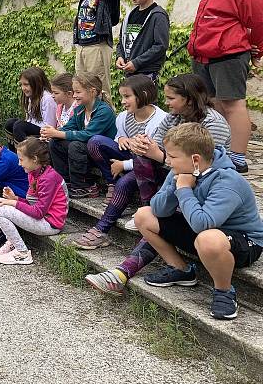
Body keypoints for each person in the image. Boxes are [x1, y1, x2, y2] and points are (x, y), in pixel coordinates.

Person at [85, 124, 263, 320]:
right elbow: (159, 209)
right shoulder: (183, 170)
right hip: (202, 232)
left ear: (195, 159)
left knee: (208, 239)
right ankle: (181, 270)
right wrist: (175, 184)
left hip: (241, 242)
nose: (167, 161)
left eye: (172, 156)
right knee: (144, 215)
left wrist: (184, 190)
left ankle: (224, 291)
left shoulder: (228, 181)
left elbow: (203, 224)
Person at [187, 0, 263, 174]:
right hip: (205, 56)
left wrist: (257, 49)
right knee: (211, 105)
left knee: (232, 104)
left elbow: (258, 20)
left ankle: (238, 156)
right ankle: (218, 150)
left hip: (228, 55)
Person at [73, 75, 167, 249]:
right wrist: (121, 138)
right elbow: (118, 137)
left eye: (127, 96)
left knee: (124, 182)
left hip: (149, 166)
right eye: (122, 96)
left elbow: (150, 157)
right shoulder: (124, 116)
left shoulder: (160, 120)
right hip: (129, 158)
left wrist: (123, 165)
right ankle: (111, 182)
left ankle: (101, 230)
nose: (123, 101)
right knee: (95, 142)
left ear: (143, 95)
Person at [131, 74, 230, 209]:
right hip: (174, 167)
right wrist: (142, 144)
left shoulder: (214, 123)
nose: (166, 103)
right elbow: (157, 142)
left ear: (189, 99)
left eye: (171, 98)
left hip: (204, 176)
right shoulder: (173, 117)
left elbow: (205, 162)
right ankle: (149, 207)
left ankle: (154, 208)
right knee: (138, 162)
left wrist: (160, 156)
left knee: (127, 181)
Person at [0, 138, 68, 265]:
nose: (19, 164)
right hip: (42, 218)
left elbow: (38, 212)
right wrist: (16, 199)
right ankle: (13, 243)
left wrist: (14, 203)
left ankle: (22, 253)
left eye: (21, 159)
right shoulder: (33, 173)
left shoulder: (49, 178)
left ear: (34, 159)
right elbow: (33, 203)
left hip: (50, 224)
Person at [41, 72, 117, 199]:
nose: (75, 95)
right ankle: (66, 182)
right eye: (74, 92)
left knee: (76, 145)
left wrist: (58, 133)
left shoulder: (104, 111)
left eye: (78, 92)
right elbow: (69, 127)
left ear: (92, 91)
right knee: (55, 142)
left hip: (103, 155)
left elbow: (88, 135)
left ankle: (84, 186)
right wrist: (51, 134)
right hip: (85, 153)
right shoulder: (80, 109)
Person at [63, 0, 122, 96]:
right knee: (81, 88)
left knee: (99, 88)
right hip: (82, 46)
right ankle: (87, 118)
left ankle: (105, 117)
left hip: (97, 46)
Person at [115, 0, 170, 81]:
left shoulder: (158, 16)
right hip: (129, 72)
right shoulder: (129, 16)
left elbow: (160, 46)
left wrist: (137, 62)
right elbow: (122, 41)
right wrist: (119, 56)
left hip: (147, 73)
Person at [3, 67, 57, 148]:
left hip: (45, 131)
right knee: (10, 123)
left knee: (19, 126)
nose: (23, 88)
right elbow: (29, 119)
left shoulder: (48, 98)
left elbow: (49, 125)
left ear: (37, 83)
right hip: (35, 127)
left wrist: (27, 127)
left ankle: (24, 154)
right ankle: (13, 154)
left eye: (26, 84)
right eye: (21, 84)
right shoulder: (31, 96)